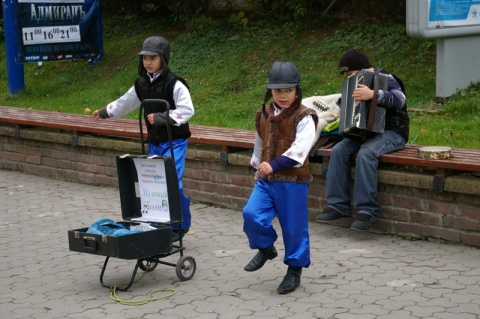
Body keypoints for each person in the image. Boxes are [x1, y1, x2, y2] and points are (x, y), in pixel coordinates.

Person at [92, 36, 194, 237]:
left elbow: (187, 109)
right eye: (145, 58)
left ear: (163, 59)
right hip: (154, 141)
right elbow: (126, 102)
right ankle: (159, 223)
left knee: (173, 182)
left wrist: (162, 117)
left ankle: (178, 226)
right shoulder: (141, 84)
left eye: (152, 58)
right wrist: (105, 112)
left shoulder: (175, 83)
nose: (148, 62)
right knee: (154, 183)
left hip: (175, 141)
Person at [242, 61, 318, 294]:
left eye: (288, 91)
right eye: (278, 91)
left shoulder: (305, 116)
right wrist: (257, 165)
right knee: (251, 214)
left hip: (292, 181)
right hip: (266, 180)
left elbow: (299, 151)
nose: (283, 96)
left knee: (293, 227)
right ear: (270, 91)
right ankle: (266, 248)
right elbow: (259, 142)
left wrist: (272, 166)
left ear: (297, 91)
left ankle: (294, 269)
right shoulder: (263, 113)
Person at [316, 49, 409, 230]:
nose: (349, 79)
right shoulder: (354, 85)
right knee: (338, 150)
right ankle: (338, 205)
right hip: (367, 133)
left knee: (366, 153)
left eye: (351, 74)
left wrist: (373, 95)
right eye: (345, 76)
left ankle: (368, 211)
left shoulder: (385, 78)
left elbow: (400, 99)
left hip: (393, 133)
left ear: (363, 69)